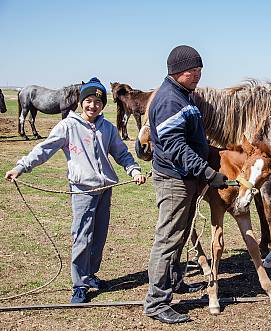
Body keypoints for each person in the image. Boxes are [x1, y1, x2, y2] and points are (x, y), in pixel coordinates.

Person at [5, 77, 147, 303]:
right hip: (82, 191)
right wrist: (21, 167)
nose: (93, 106)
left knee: (99, 237)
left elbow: (121, 154)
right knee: (82, 236)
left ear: (103, 105)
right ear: (81, 102)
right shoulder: (67, 126)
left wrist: (134, 170)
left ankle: (90, 275)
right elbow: (44, 149)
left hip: (106, 189)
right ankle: (78, 284)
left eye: (98, 102)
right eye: (89, 100)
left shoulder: (108, 128)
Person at [141, 45, 228, 324]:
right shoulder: (169, 100)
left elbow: (190, 139)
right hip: (174, 180)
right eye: (194, 71)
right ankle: (156, 302)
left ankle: (175, 281)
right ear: (178, 70)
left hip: (185, 178)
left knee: (180, 234)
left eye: (200, 70)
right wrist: (207, 172)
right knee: (168, 239)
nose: (198, 76)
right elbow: (176, 146)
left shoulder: (183, 96)